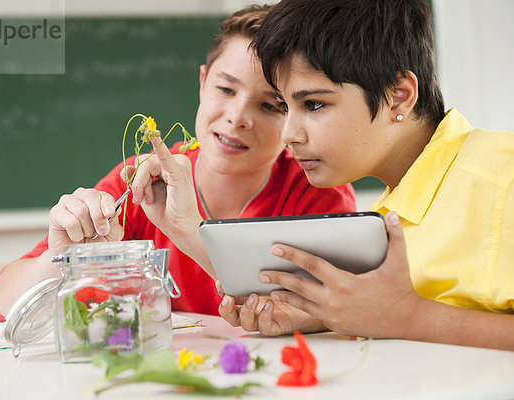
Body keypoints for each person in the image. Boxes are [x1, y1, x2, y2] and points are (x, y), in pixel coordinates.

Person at [0, 4, 357, 322]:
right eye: (225, 89)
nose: (237, 117)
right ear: (202, 82)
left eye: (270, 106)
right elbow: (1, 304)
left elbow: (337, 310)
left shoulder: (316, 192)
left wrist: (189, 231)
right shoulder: (142, 179)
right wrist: (57, 261)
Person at [211, 0, 514, 350]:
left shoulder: (501, 177)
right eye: (284, 106)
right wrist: (326, 315)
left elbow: (408, 318)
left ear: (398, 96)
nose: (288, 134)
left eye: (313, 104)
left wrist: (408, 317)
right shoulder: (387, 214)